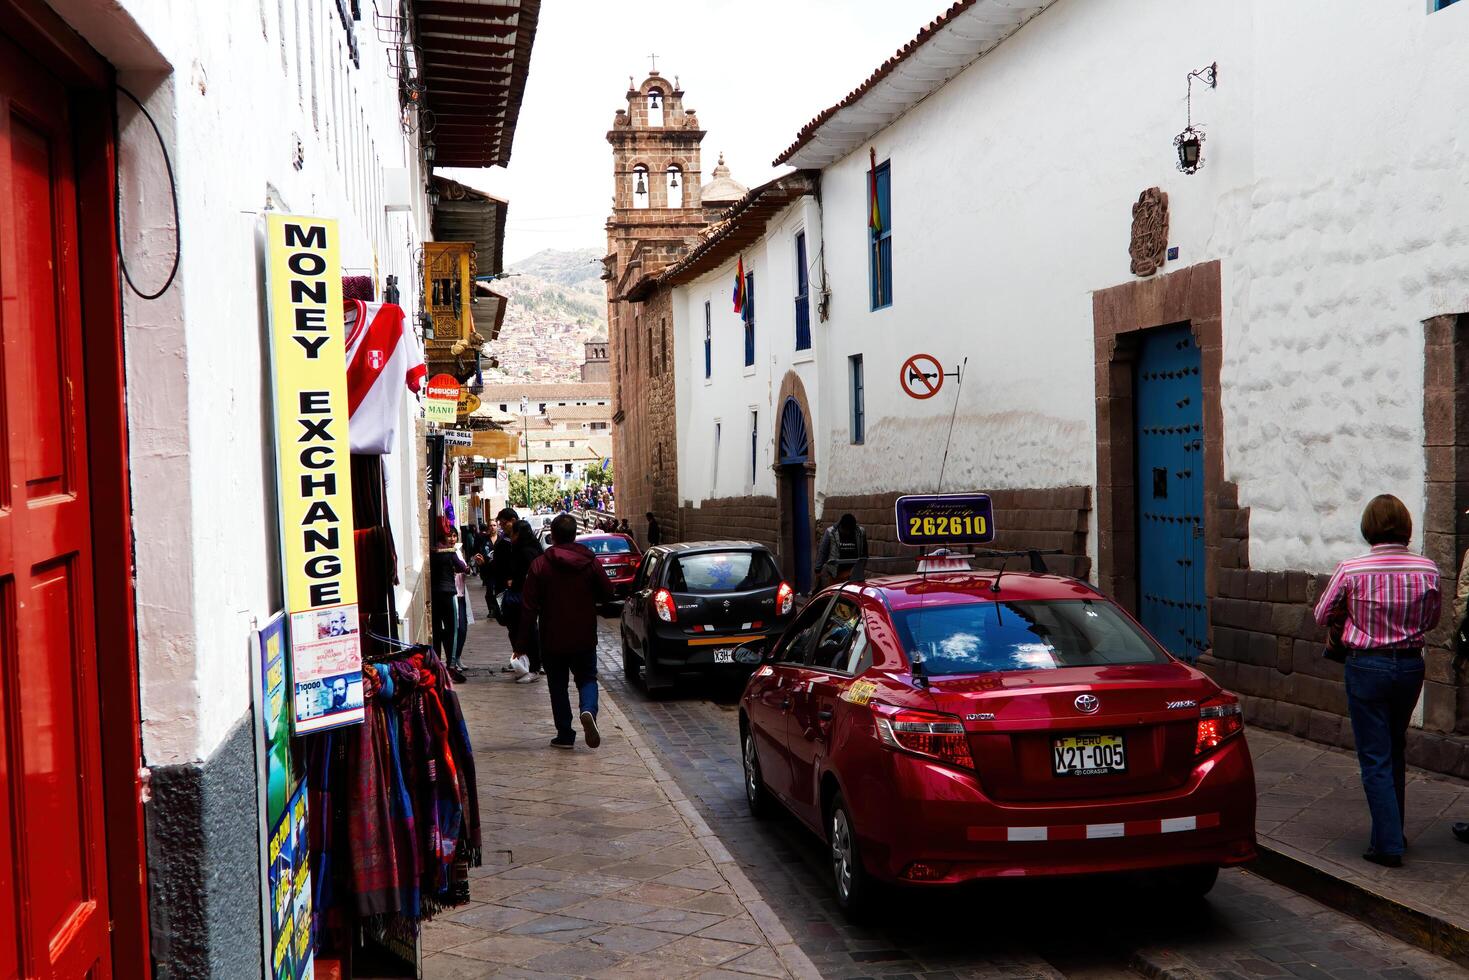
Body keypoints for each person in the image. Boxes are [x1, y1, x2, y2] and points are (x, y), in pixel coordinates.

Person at [1313, 494, 1441, 869]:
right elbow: (1431, 621)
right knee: (1394, 747)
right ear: (1405, 526)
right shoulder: (1427, 569)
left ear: (1368, 527)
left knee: (1374, 754)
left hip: (1367, 665)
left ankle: (1387, 844)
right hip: (1409, 666)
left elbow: (1322, 614)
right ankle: (1393, 831)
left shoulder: (1352, 570)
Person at [520, 513, 614, 749]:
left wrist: (521, 644)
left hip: (552, 638)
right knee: (587, 678)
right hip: (584, 634)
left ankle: (565, 734)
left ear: (552, 535)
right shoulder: (590, 562)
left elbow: (528, 608)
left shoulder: (540, 565)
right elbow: (608, 592)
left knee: (557, 685)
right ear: (575, 535)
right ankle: (588, 710)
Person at [502, 517, 545, 682]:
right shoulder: (532, 548)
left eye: (513, 534)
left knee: (528, 631)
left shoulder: (525, 551)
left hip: (525, 598)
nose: (511, 537)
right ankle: (529, 665)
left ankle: (533, 667)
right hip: (527, 597)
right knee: (526, 630)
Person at [429, 517, 469, 672]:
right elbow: (462, 568)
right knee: (453, 629)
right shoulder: (450, 552)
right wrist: (466, 569)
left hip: (434, 594)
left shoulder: (432, 551)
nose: (452, 538)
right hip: (449, 592)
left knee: (437, 629)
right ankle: (451, 663)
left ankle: (437, 661)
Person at [815, 513, 868, 588]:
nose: (848, 533)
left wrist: (860, 568)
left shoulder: (860, 532)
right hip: (836, 574)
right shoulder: (831, 532)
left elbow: (865, 553)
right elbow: (823, 551)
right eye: (846, 530)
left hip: (853, 574)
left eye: (851, 530)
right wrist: (818, 569)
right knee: (836, 596)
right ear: (841, 526)